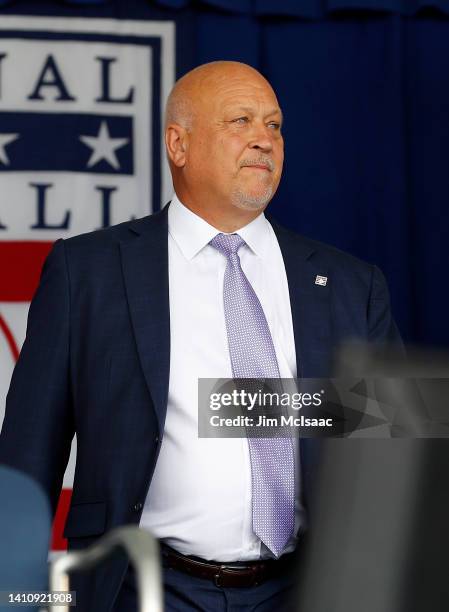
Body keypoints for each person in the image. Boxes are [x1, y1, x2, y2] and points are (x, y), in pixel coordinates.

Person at [0, 61, 401, 611]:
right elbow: (28, 452)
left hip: (308, 591)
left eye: (275, 126)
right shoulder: (87, 271)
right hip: (143, 589)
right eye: (241, 121)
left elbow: (392, 448)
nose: (265, 139)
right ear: (178, 144)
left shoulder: (353, 284)